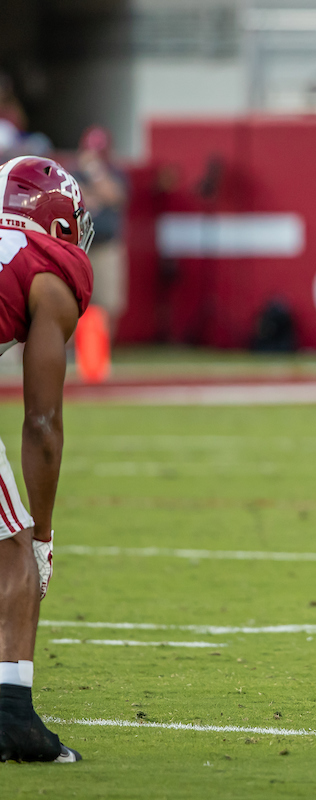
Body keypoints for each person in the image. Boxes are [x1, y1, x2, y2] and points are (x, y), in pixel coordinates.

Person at [0, 155, 94, 762]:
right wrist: (45, 532)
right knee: (16, 555)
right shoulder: (49, 268)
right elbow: (42, 423)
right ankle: (14, 720)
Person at [74, 126, 127, 337]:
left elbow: (114, 196)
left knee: (108, 303)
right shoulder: (71, 171)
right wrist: (94, 194)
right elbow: (74, 197)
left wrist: (95, 173)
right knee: (74, 300)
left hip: (106, 245)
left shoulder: (116, 173)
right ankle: (73, 351)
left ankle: (102, 349)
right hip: (79, 247)